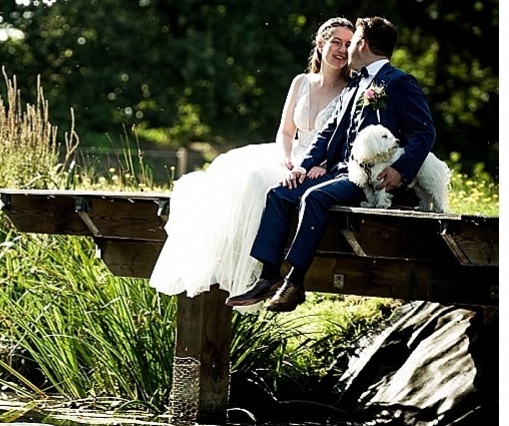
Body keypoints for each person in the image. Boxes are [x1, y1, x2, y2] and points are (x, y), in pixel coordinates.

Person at [226, 16, 436, 313]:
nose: (347, 49)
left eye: (352, 43)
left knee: (314, 197)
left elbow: (424, 132)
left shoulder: (399, 82)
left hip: (371, 178)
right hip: (340, 171)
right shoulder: (354, 85)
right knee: (279, 194)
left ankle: (294, 283)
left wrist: (401, 170)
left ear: (362, 44)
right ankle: (267, 276)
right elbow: (326, 134)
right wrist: (303, 166)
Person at [148, 17, 354, 310]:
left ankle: (260, 275)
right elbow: (285, 131)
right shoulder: (301, 82)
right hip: (290, 154)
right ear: (320, 44)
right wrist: (285, 158)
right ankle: (226, 263)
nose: (342, 50)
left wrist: (319, 164)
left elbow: (344, 137)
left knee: (264, 185)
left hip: (320, 163)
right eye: (336, 42)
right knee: (242, 175)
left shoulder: (351, 89)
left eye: (348, 44)